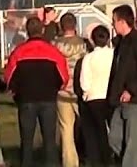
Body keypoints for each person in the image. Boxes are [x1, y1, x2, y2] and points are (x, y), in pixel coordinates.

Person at [5, 16, 68, 167]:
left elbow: (9, 78)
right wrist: (55, 88)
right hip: (48, 100)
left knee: (26, 142)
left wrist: (16, 91)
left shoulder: (18, 52)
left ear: (27, 32)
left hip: (26, 100)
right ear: (43, 30)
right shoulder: (53, 52)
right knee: (50, 141)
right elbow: (64, 77)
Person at [106, 5, 137, 167]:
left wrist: (132, 90)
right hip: (120, 98)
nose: (112, 24)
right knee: (114, 138)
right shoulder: (121, 44)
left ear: (123, 21)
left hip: (136, 100)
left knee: (132, 145)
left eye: (114, 21)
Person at [52, 13, 88, 167]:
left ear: (61, 26)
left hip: (62, 92)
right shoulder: (84, 44)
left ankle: (70, 163)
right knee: (88, 128)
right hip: (81, 91)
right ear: (75, 25)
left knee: (66, 132)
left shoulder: (55, 45)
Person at [79, 25, 115, 166]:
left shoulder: (88, 58)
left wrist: (85, 94)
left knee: (96, 132)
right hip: (111, 96)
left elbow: (85, 82)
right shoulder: (114, 54)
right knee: (111, 130)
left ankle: (97, 160)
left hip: (94, 98)